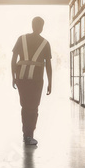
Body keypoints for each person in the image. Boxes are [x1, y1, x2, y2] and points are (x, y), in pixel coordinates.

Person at [11, 16, 52, 146]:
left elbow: (13, 59)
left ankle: (26, 134)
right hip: (36, 80)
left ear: (32, 25)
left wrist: (13, 76)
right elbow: (48, 65)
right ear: (41, 27)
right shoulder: (45, 43)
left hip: (22, 78)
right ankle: (29, 135)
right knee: (33, 108)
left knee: (25, 107)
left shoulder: (21, 39)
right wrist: (50, 82)